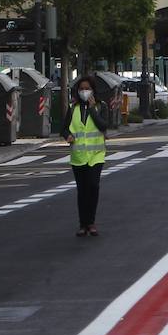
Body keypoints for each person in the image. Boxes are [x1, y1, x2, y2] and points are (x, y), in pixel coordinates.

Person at [65, 76, 108, 237]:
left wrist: (91, 108)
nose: (84, 92)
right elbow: (65, 128)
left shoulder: (100, 106)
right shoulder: (73, 108)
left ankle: (91, 222)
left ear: (93, 90)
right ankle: (83, 224)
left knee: (93, 186)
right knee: (82, 190)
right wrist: (67, 136)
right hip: (78, 156)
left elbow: (103, 125)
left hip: (96, 155)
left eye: (87, 88)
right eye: (81, 89)